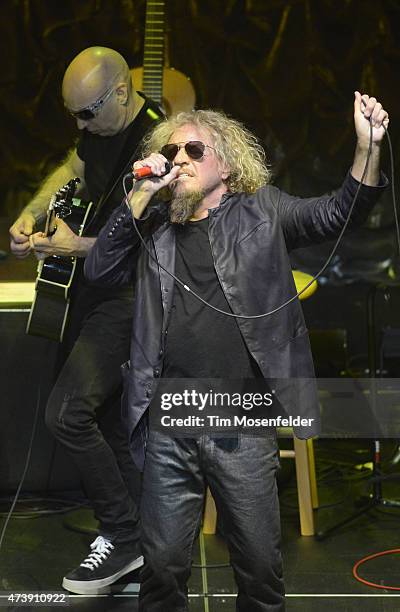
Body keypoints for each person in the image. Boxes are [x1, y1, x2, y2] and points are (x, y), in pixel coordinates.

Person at [84, 93, 389, 611]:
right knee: (161, 567)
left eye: (194, 150)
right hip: (168, 418)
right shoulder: (152, 226)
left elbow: (339, 213)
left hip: (242, 417)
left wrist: (367, 148)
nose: (179, 158)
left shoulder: (263, 212)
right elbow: (98, 273)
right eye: (172, 150)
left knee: (258, 565)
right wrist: (138, 196)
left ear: (226, 164)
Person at [9, 46, 164, 595]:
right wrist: (32, 213)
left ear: (121, 92)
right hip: (88, 292)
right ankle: (139, 540)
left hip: (130, 297)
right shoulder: (98, 129)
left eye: (88, 112)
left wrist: (78, 247)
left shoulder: (159, 145)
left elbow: (156, 245)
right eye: (72, 113)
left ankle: (122, 536)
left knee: (68, 414)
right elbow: (71, 167)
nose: (80, 124)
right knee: (104, 421)